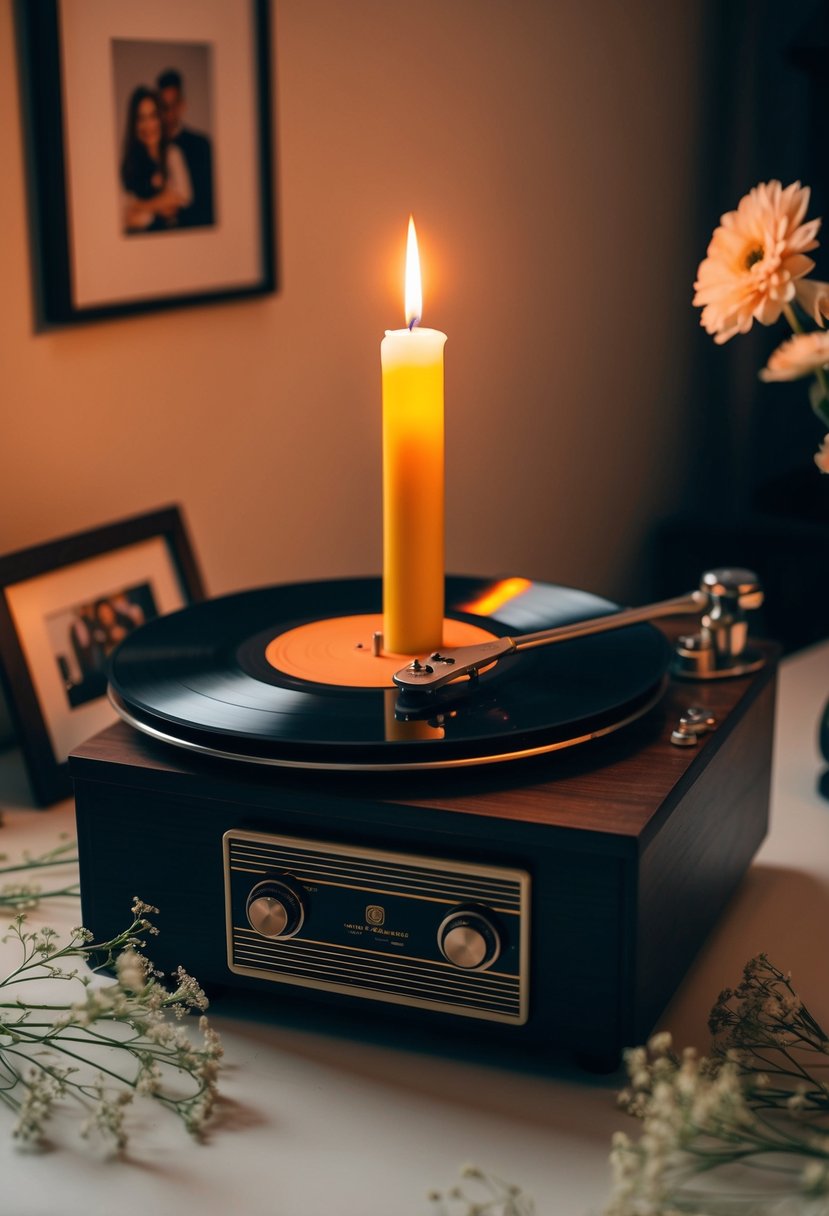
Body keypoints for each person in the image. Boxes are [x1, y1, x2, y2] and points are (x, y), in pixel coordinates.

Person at [120, 85, 192, 234]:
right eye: (141, 119)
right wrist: (163, 202)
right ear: (134, 124)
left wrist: (140, 206)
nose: (148, 125)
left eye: (153, 116)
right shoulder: (130, 161)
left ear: (160, 119)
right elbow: (129, 218)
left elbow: (184, 196)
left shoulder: (173, 154)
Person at [157, 68, 215, 228]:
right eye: (164, 106)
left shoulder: (201, 145)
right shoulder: (150, 148)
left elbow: (208, 201)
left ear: (182, 104)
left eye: (173, 105)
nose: (169, 113)